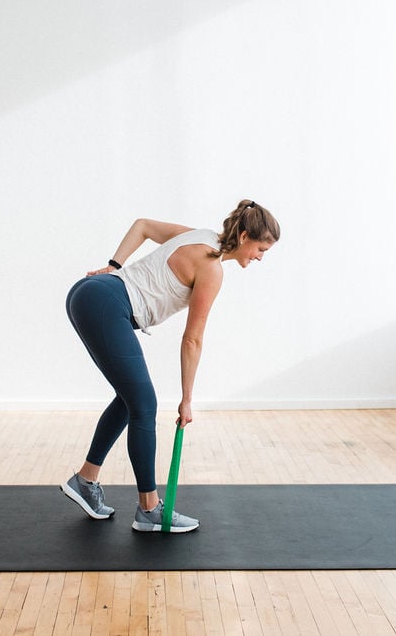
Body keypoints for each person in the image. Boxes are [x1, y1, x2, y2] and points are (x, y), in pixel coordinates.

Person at [61, 199, 280, 533]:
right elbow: (192, 339)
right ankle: (149, 509)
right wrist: (187, 398)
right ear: (246, 235)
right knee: (145, 404)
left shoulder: (200, 236)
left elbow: (143, 225)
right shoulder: (211, 269)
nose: (261, 257)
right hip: (106, 302)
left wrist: (114, 265)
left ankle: (85, 481)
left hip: (93, 293)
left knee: (130, 400)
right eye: (261, 248)